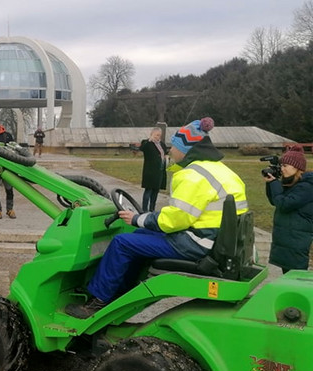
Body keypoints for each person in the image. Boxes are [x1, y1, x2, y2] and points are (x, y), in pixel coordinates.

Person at [66, 117, 247, 319]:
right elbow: (187, 215)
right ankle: (121, 290)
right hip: (214, 241)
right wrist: (144, 221)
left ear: (186, 149)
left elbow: (174, 221)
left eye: (174, 146)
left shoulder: (192, 176)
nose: (170, 151)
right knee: (139, 235)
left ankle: (97, 301)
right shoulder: (223, 171)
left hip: (195, 243)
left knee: (122, 242)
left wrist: (137, 218)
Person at [264, 144, 313, 273]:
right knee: (288, 278)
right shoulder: (292, 184)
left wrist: (274, 183)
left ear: (296, 168)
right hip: (287, 241)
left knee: (295, 278)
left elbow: (284, 204)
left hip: (296, 243)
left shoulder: (306, 187)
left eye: (285, 166)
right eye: (281, 166)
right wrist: (270, 183)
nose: (282, 169)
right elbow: (274, 201)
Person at [139, 127, 168, 212]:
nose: (158, 137)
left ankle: (152, 209)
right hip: (150, 171)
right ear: (152, 134)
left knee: (156, 191)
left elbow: (165, 153)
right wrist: (149, 140)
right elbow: (142, 148)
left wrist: (166, 158)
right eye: (156, 135)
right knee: (148, 190)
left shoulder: (162, 144)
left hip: (160, 170)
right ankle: (144, 209)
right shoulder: (147, 143)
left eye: (159, 135)